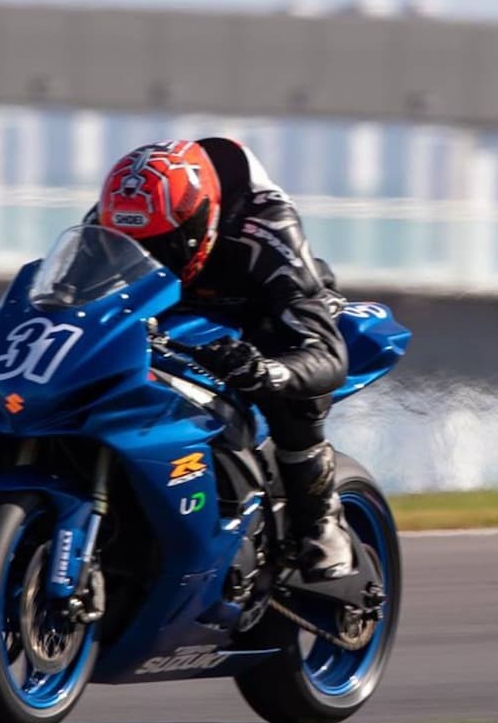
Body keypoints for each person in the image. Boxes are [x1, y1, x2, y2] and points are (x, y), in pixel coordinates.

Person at [90, 138, 354, 579]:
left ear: (199, 221)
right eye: (134, 246)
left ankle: (321, 522)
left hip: (260, 309)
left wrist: (269, 370)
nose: (148, 258)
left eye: (160, 246)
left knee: (283, 365)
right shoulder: (115, 222)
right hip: (174, 317)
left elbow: (327, 353)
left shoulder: (266, 227)